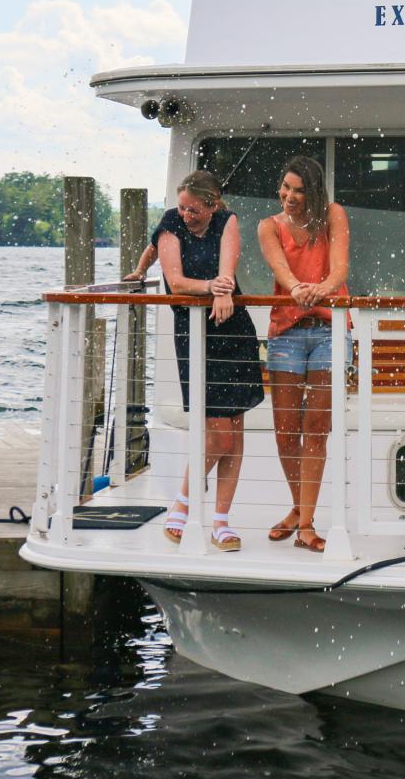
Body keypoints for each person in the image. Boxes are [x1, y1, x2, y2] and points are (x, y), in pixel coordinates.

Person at [155, 171, 263, 552]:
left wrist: (224, 286)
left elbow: (227, 269)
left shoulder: (226, 220)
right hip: (194, 333)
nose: (186, 214)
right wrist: (213, 289)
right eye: (183, 207)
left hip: (232, 331)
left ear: (212, 205)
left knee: (234, 428)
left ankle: (220, 521)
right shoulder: (170, 222)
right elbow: (176, 281)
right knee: (217, 431)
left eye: (194, 209)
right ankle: (182, 503)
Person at [257, 156, 350, 553]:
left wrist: (321, 290)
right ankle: (299, 507)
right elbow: (281, 270)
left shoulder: (333, 214)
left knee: (316, 427)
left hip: (330, 329)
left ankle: (306, 525)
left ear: (313, 192)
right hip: (287, 332)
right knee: (284, 430)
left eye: (298, 190)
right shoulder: (269, 227)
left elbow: (340, 271)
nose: (289, 196)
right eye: (285, 187)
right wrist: (297, 288)